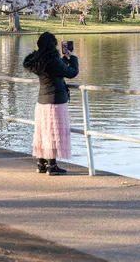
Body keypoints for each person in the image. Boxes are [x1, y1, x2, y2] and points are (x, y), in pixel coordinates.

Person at [23, 32, 79, 176]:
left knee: (42, 132)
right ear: (53, 45)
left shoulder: (39, 61)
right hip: (55, 101)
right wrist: (72, 57)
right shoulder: (53, 61)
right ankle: (52, 166)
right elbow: (71, 72)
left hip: (41, 102)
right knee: (53, 133)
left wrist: (41, 53)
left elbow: (27, 62)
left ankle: (41, 163)